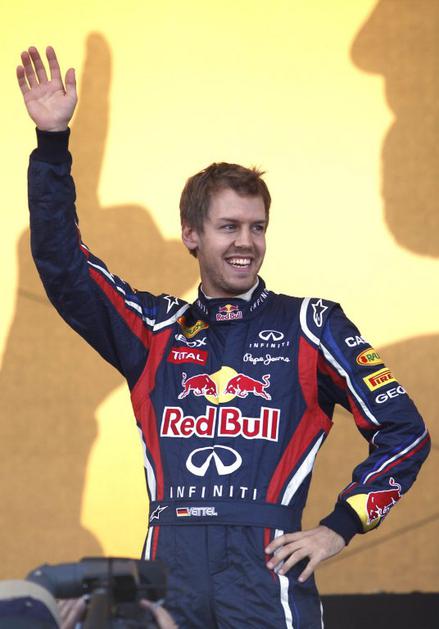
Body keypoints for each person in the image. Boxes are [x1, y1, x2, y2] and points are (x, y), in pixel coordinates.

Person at [17, 46, 430, 629]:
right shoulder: (154, 330)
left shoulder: (312, 324)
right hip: (169, 569)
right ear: (191, 234)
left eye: (258, 227)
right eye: (229, 227)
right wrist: (52, 145)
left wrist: (340, 527)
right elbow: (64, 265)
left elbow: (405, 432)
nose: (246, 243)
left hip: (266, 572)